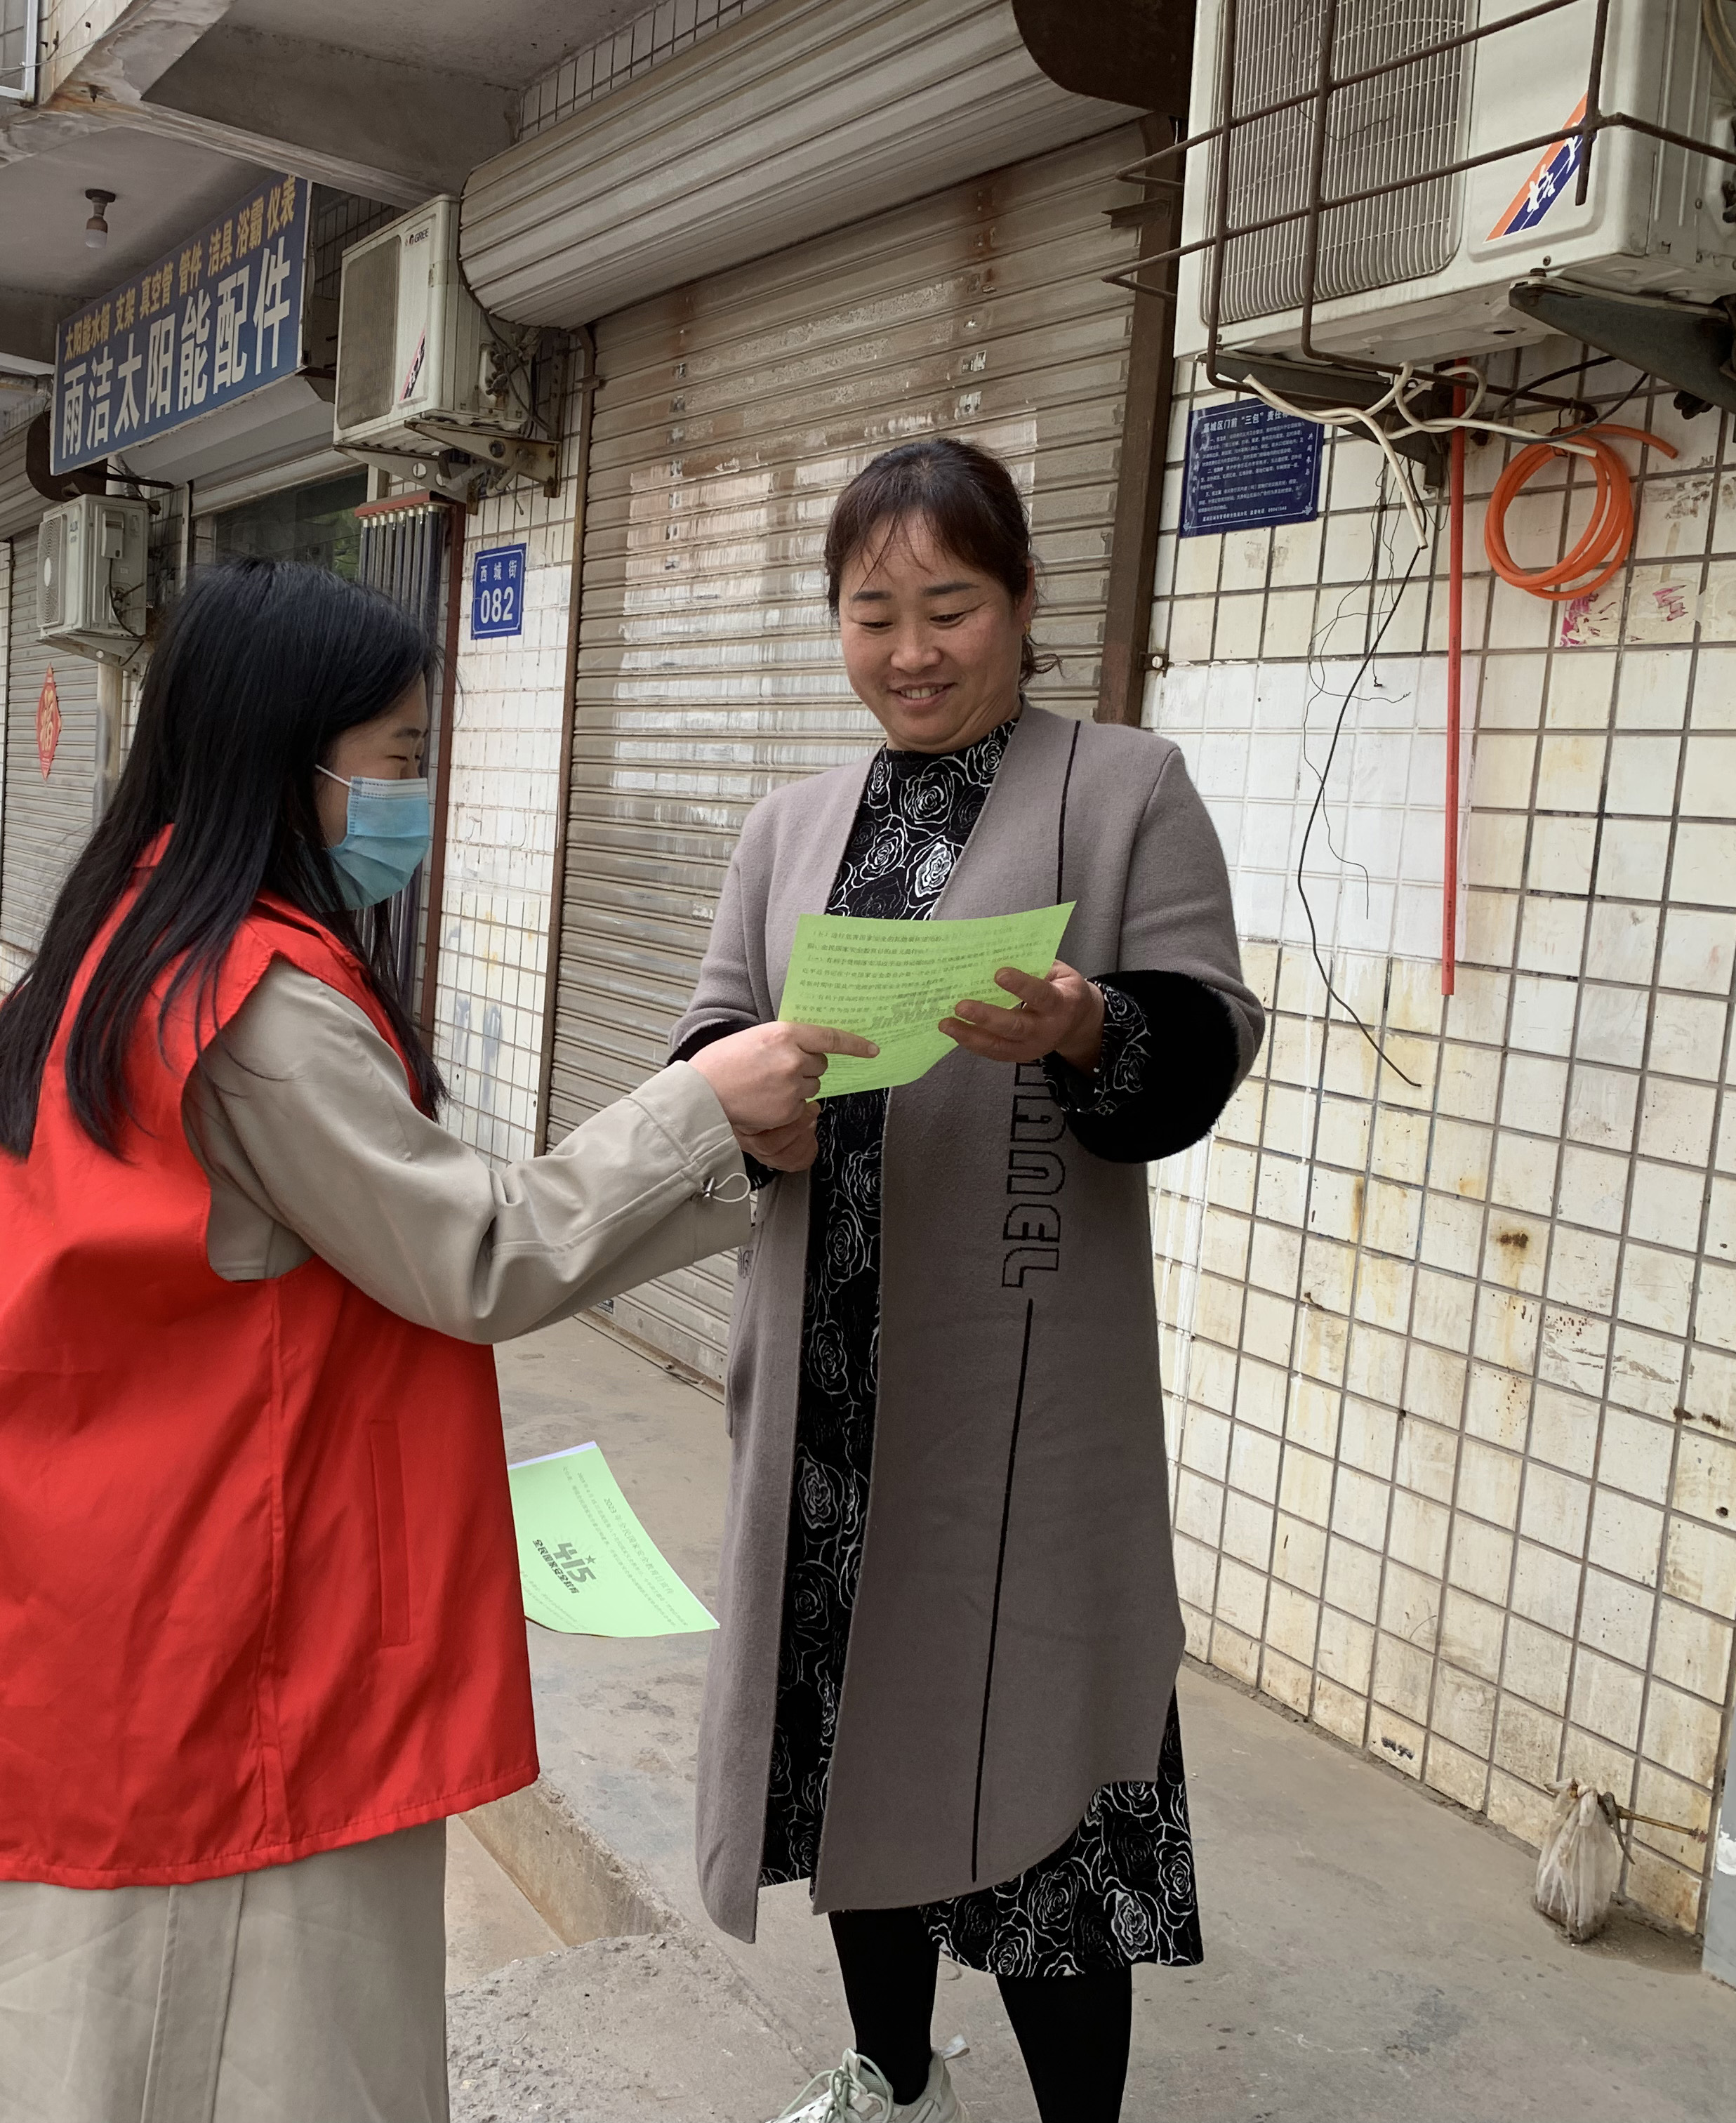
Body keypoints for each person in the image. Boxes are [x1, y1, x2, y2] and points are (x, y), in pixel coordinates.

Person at [0, 559, 867, 2123]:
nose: (417, 795)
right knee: (224, 2031)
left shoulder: (125, 942)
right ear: (285, 756)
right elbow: (475, 1252)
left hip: (71, 1585)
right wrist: (702, 1110)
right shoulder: (256, 1003)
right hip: (210, 1628)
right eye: (400, 757)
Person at [675, 438, 1264, 2123]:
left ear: (1020, 604)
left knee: (1042, 1766)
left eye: (951, 606)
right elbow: (708, 1039)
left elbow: (1203, 1037)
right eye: (874, 614)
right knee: (855, 1748)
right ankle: (888, 2074)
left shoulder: (1126, 788)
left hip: (1020, 1386)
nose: (912, 649)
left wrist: (1089, 1025)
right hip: (830, 1381)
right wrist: (749, 1096)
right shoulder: (791, 825)